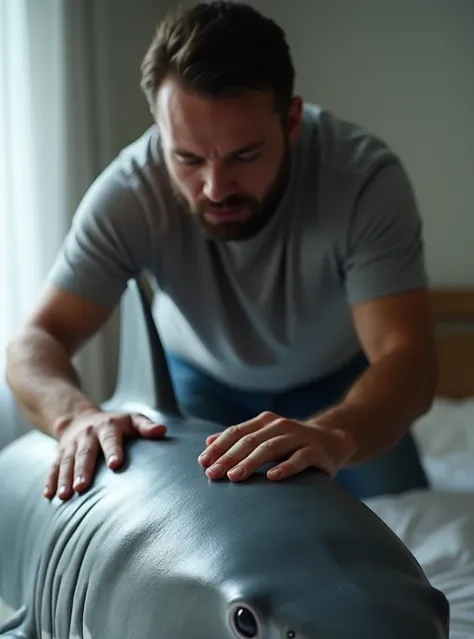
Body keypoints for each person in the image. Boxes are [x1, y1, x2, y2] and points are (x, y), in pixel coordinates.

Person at [5, 0, 438, 503]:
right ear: (159, 128)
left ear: (292, 121)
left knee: (402, 529)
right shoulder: (130, 192)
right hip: (198, 384)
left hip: (339, 385)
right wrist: (75, 415)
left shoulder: (363, 180)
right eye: (187, 157)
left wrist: (337, 435)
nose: (214, 188)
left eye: (244, 155)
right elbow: (33, 341)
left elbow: (408, 357)